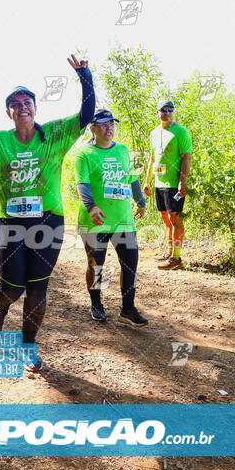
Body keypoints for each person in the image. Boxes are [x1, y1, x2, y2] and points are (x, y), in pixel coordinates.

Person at [0, 54, 95, 372]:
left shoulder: (54, 134)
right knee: (12, 286)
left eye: (27, 101)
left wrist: (85, 76)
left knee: (38, 287)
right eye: (15, 103)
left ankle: (28, 346)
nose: (22, 106)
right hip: (10, 223)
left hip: (48, 221)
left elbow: (86, 114)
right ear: (9, 112)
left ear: (35, 108)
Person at [75, 109, 148, 327]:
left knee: (130, 264)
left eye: (112, 124)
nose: (109, 127)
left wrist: (141, 201)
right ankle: (96, 304)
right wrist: (91, 207)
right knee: (97, 264)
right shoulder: (84, 153)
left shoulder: (123, 151)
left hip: (123, 219)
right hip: (94, 220)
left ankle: (128, 309)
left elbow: (132, 178)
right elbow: (82, 185)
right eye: (104, 124)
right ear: (92, 128)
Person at [143, 100, 192, 270]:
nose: (168, 112)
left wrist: (182, 182)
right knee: (165, 218)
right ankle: (169, 251)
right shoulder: (154, 133)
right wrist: (146, 182)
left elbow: (186, 157)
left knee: (175, 218)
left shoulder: (180, 131)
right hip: (159, 183)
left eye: (171, 109)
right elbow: (152, 159)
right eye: (163, 109)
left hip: (174, 184)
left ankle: (176, 259)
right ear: (158, 113)